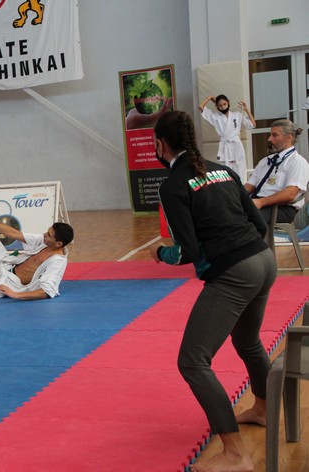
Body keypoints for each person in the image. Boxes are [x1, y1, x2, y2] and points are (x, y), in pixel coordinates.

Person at [149, 110, 275, 472]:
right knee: (247, 341)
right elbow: (257, 222)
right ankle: (264, 410)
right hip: (264, 260)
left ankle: (235, 454)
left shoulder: (173, 186)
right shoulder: (224, 170)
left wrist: (160, 253)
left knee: (192, 361)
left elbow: (185, 252)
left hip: (236, 272)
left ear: (161, 144)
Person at [244, 119, 308, 225]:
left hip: (281, 209)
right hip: (257, 204)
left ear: (288, 137)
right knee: (223, 213)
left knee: (242, 219)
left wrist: (261, 202)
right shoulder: (265, 161)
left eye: (275, 135)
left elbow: (290, 194)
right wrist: (231, 197)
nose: (269, 139)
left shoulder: (297, 162)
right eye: (270, 135)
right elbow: (248, 187)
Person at [198, 94, 256, 181]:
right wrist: (209, 98)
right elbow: (200, 106)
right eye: (220, 105)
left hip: (237, 145)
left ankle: (241, 185)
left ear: (228, 102)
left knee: (240, 169)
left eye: (224, 104)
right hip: (225, 146)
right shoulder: (215, 117)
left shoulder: (237, 115)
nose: (223, 107)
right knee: (225, 172)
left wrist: (246, 110)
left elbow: (253, 125)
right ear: (217, 106)